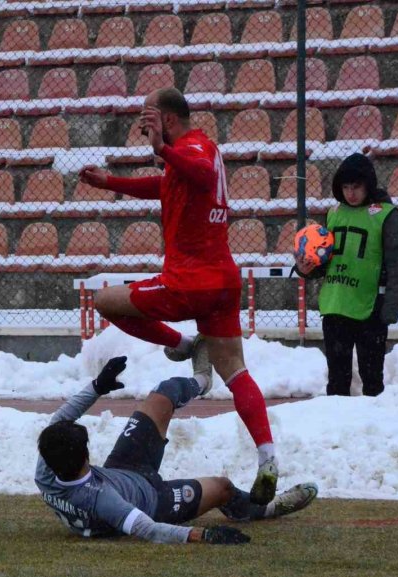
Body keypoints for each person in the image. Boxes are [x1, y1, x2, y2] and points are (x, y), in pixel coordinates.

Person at [78, 87, 278, 504]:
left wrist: (160, 150)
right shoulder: (196, 151)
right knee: (236, 371)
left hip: (189, 281)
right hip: (223, 281)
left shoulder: (195, 147)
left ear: (167, 120)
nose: (142, 128)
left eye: (147, 120)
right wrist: (110, 182)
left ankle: (183, 344)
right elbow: (166, 185)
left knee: (105, 300)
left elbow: (199, 173)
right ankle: (267, 459)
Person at [35, 356, 319, 544]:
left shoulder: (48, 468)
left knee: (163, 393)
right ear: (85, 456)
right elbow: (149, 529)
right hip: (154, 501)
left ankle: (203, 379)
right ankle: (266, 508)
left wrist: (98, 386)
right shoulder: (102, 499)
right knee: (222, 488)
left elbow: (59, 420)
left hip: (122, 469)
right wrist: (204, 535)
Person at [294, 153, 398, 397]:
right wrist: (306, 270)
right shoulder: (334, 213)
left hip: (371, 308)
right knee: (337, 381)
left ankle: (373, 430)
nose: (351, 193)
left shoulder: (386, 215)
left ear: (368, 185)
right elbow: (324, 259)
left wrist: (391, 308)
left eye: (356, 187)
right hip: (336, 305)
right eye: (345, 187)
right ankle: (338, 432)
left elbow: (397, 265)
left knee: (372, 381)